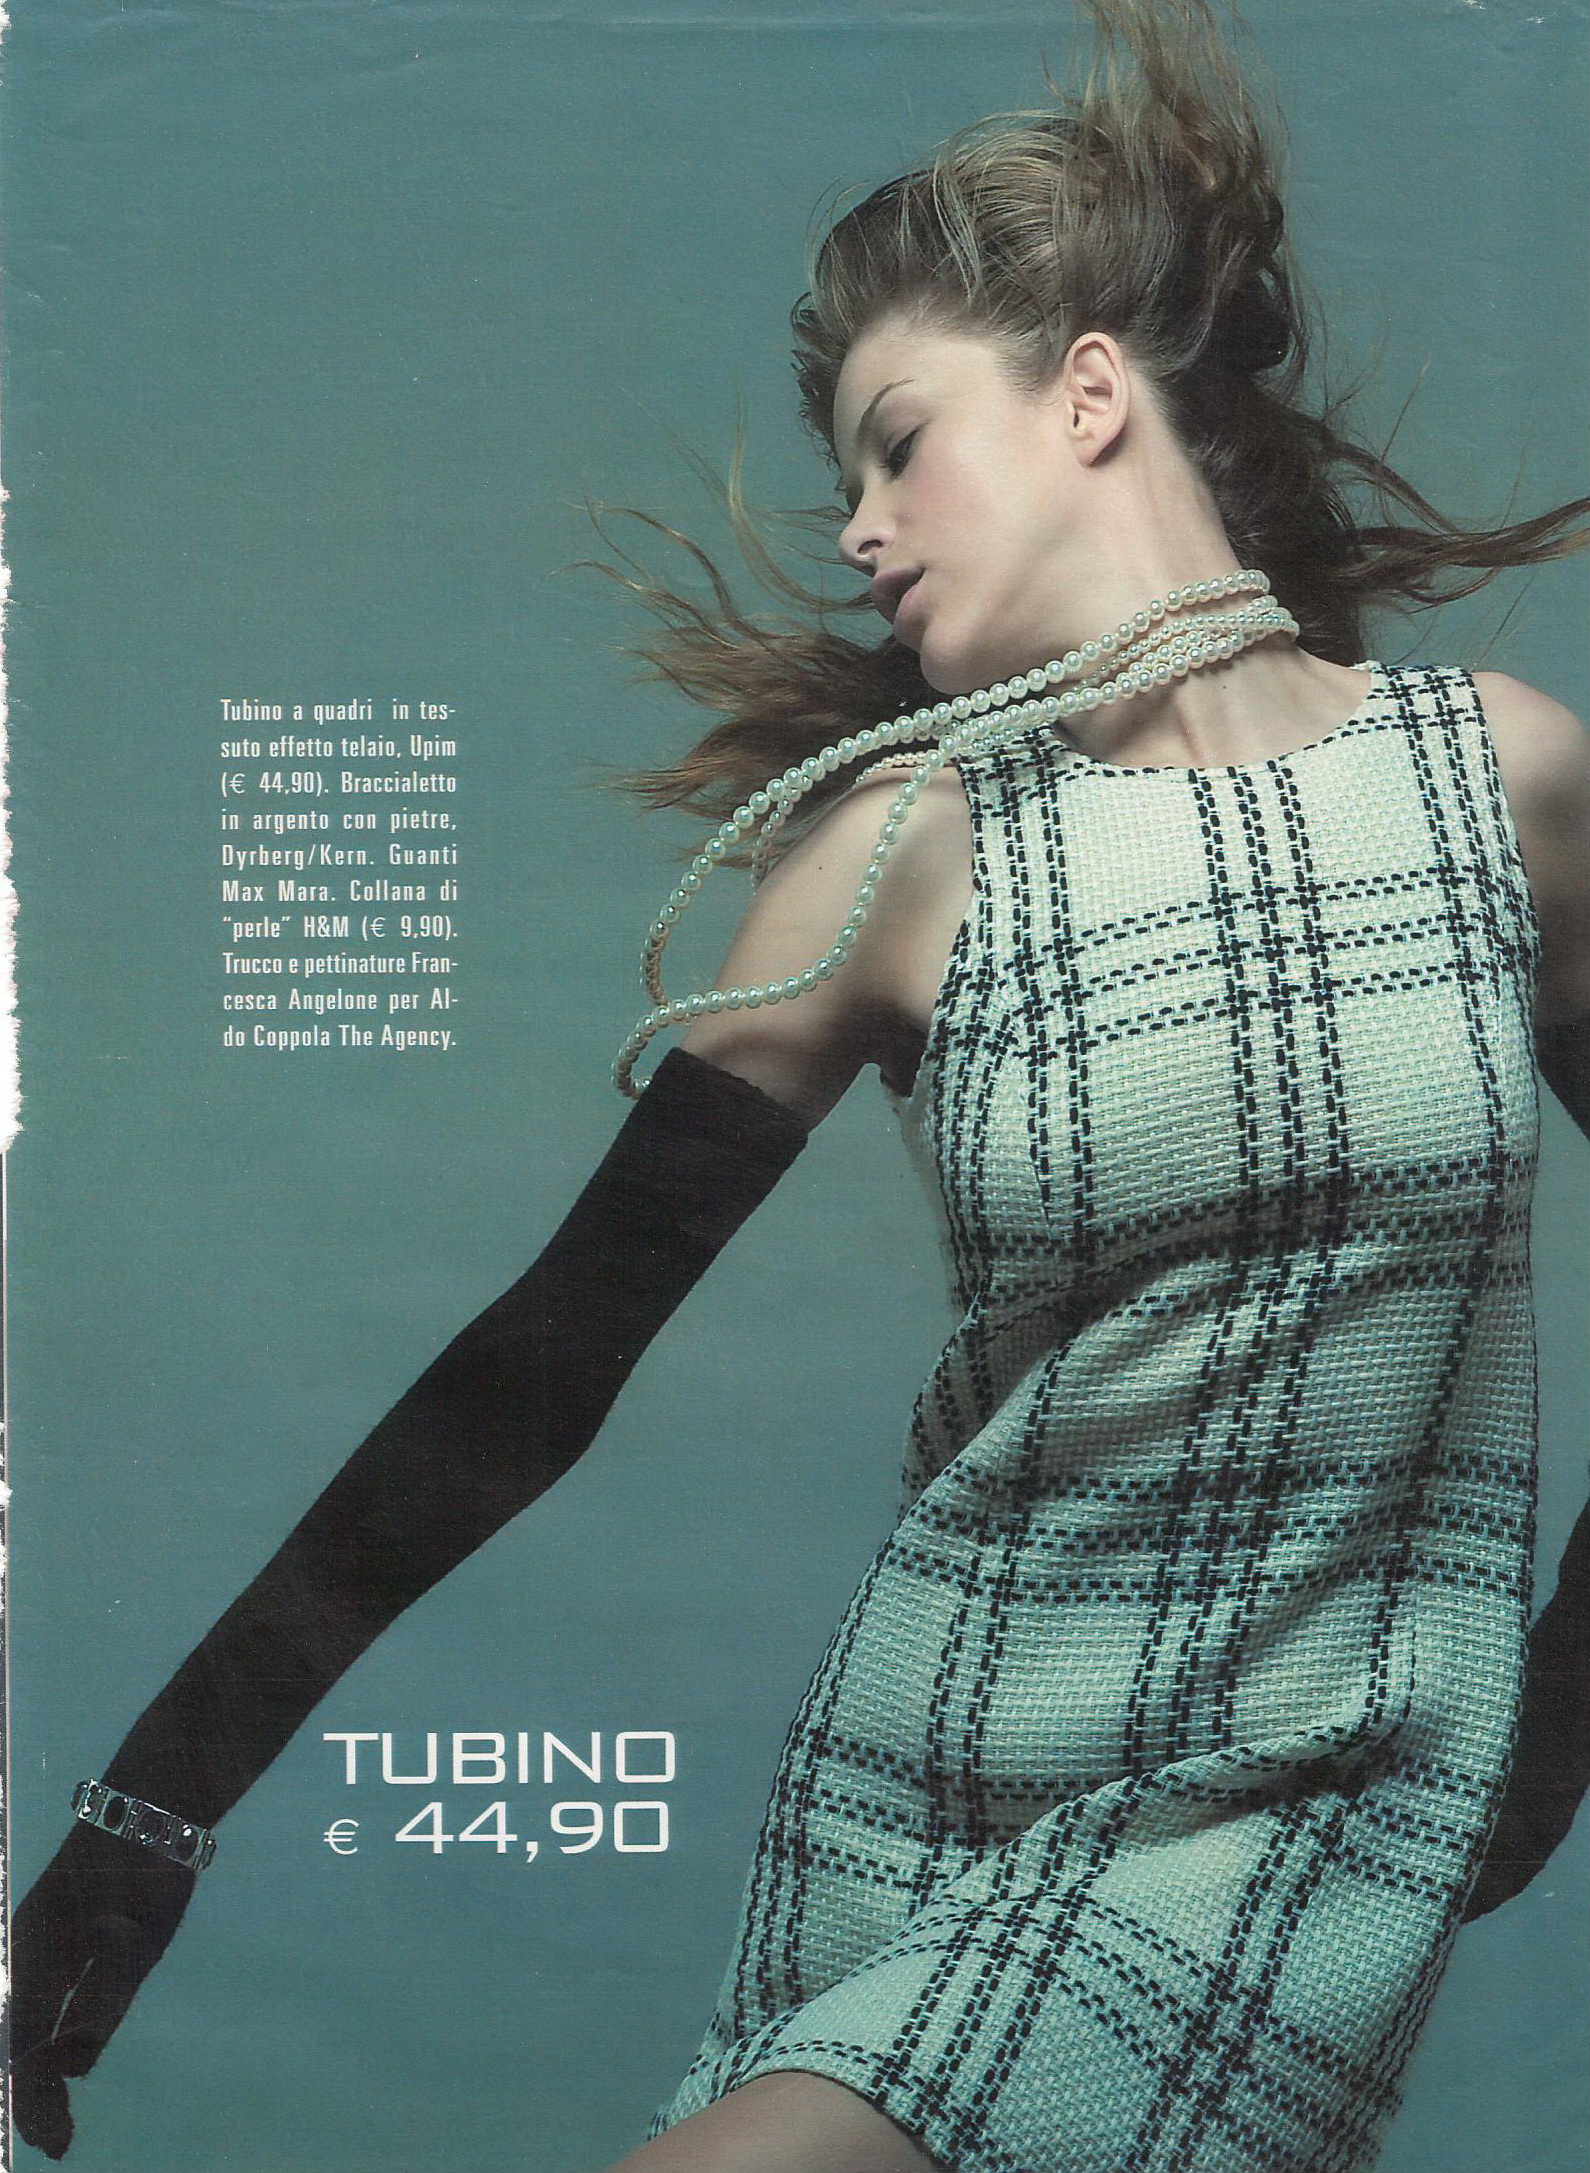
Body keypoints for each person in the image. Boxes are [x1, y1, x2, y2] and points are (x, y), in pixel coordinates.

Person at [11, 3, 1590, 2169]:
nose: (857, 526)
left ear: (1091, 393)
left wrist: (1551, 1724)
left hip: (1307, 1822)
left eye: (895, 443)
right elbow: (535, 1371)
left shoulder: (1501, 783)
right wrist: (145, 1818)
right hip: (936, 1781)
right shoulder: (900, 854)